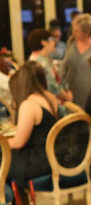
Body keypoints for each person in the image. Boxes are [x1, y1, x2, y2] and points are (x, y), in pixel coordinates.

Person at [7, 62, 59, 190]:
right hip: (54, 155)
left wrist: (4, 142)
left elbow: (19, 142)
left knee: (4, 161)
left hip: (40, 162)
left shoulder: (29, 104)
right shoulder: (51, 97)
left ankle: (9, 203)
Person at [27, 28, 72, 102]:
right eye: (52, 39)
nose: (55, 41)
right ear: (44, 42)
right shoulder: (41, 63)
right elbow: (52, 87)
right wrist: (67, 96)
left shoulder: (36, 59)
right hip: (49, 102)